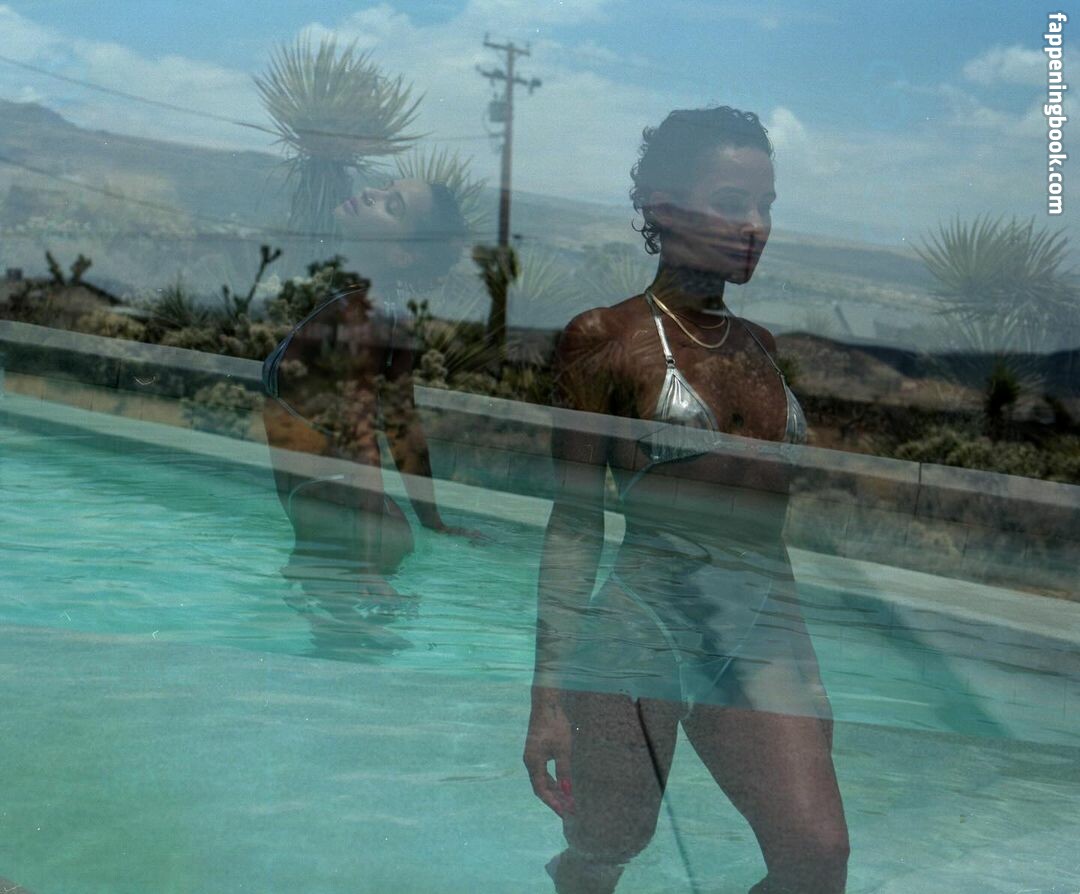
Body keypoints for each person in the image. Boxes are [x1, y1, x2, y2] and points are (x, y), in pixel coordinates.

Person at [523, 108, 849, 893]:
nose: (755, 225)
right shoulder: (604, 338)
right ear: (663, 208)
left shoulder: (761, 349)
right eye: (733, 202)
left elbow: (767, 530)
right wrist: (547, 697)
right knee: (611, 842)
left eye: (766, 204)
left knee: (817, 857)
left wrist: (804, 675)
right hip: (644, 629)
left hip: (756, 630)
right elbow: (575, 523)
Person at [262, 177, 475, 657]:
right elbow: (403, 426)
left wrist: (363, 568)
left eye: (392, 206)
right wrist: (432, 521)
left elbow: (365, 440)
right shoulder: (382, 312)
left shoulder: (357, 318)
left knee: (333, 666)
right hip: (358, 526)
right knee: (351, 662)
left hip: (340, 530)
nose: (372, 194)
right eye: (384, 188)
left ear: (401, 253)